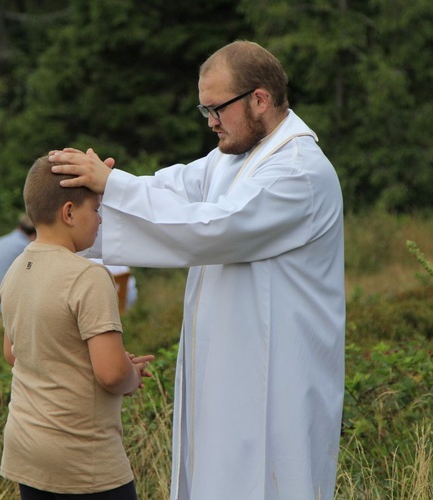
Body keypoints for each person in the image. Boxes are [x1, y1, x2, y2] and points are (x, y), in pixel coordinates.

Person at [49, 40, 345, 499]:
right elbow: (170, 193)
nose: (209, 122)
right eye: (203, 109)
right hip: (223, 371)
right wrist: (77, 218)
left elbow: (214, 227)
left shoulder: (300, 172)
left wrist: (116, 185)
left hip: (278, 380)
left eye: (216, 109)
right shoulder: (232, 159)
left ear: (259, 99)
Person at [0, 156, 154, 499]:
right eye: (97, 209)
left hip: (28, 446)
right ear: (69, 213)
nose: (100, 220)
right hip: (83, 458)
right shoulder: (89, 276)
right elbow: (112, 375)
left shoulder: (16, 269)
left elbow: (14, 354)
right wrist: (129, 374)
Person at [0, 213, 36, 312]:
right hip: (2, 303)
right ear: (34, 234)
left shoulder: (1, 240)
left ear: (19, 227)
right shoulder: (25, 247)